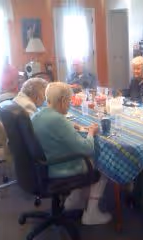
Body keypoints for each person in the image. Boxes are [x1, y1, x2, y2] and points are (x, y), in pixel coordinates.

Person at [31, 82, 112, 225]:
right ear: (62, 101)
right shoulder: (58, 120)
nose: (69, 104)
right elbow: (87, 148)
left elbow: (57, 126)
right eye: (69, 101)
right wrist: (91, 132)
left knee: (84, 155)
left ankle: (74, 200)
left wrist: (73, 126)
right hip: (59, 168)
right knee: (105, 164)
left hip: (42, 166)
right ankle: (91, 214)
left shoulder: (38, 114)